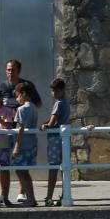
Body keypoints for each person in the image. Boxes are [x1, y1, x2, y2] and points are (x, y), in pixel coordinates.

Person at [39, 78, 70, 206]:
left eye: (55, 90)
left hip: (55, 138)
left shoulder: (58, 103)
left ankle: (49, 197)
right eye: (52, 90)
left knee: (53, 168)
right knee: (64, 168)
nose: (53, 93)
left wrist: (43, 125)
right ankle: (65, 194)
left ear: (61, 90)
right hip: (64, 139)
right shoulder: (66, 102)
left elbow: (52, 123)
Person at [11, 82, 39, 207]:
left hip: (23, 145)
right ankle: (31, 198)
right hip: (32, 144)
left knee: (20, 171)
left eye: (17, 96)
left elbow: (21, 128)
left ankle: (30, 199)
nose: (17, 99)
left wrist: (17, 146)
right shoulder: (33, 107)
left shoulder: (22, 109)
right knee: (24, 172)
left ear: (23, 94)